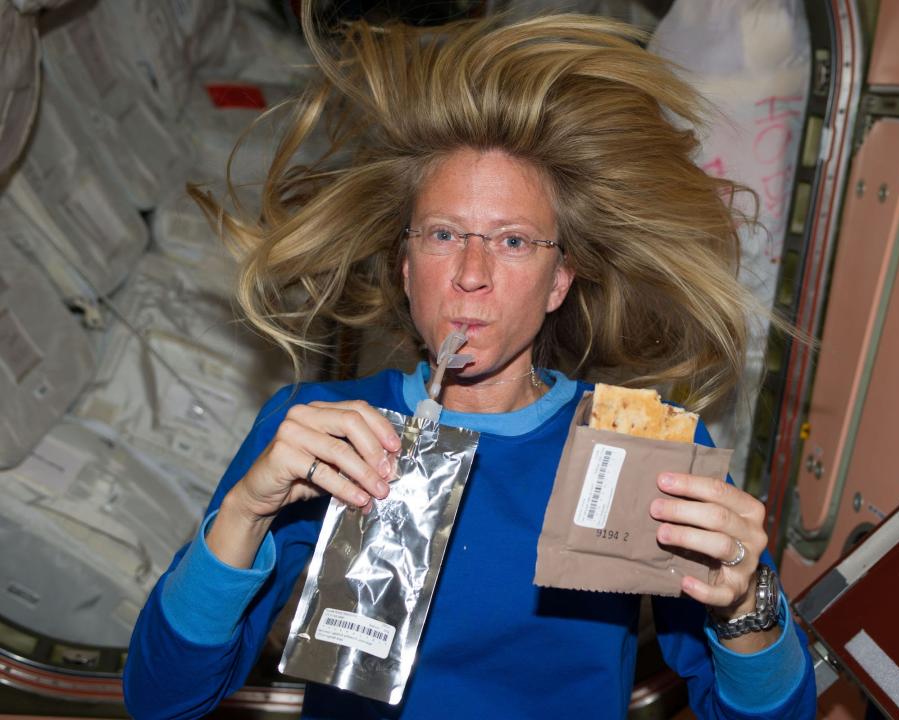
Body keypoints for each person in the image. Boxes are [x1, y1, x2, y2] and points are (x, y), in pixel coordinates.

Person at [123, 9, 816, 719]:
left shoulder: (637, 449)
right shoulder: (325, 435)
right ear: (404, 267)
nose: (472, 274)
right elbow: (163, 700)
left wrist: (744, 603)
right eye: (445, 234)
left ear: (559, 281)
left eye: (514, 241)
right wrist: (245, 509)